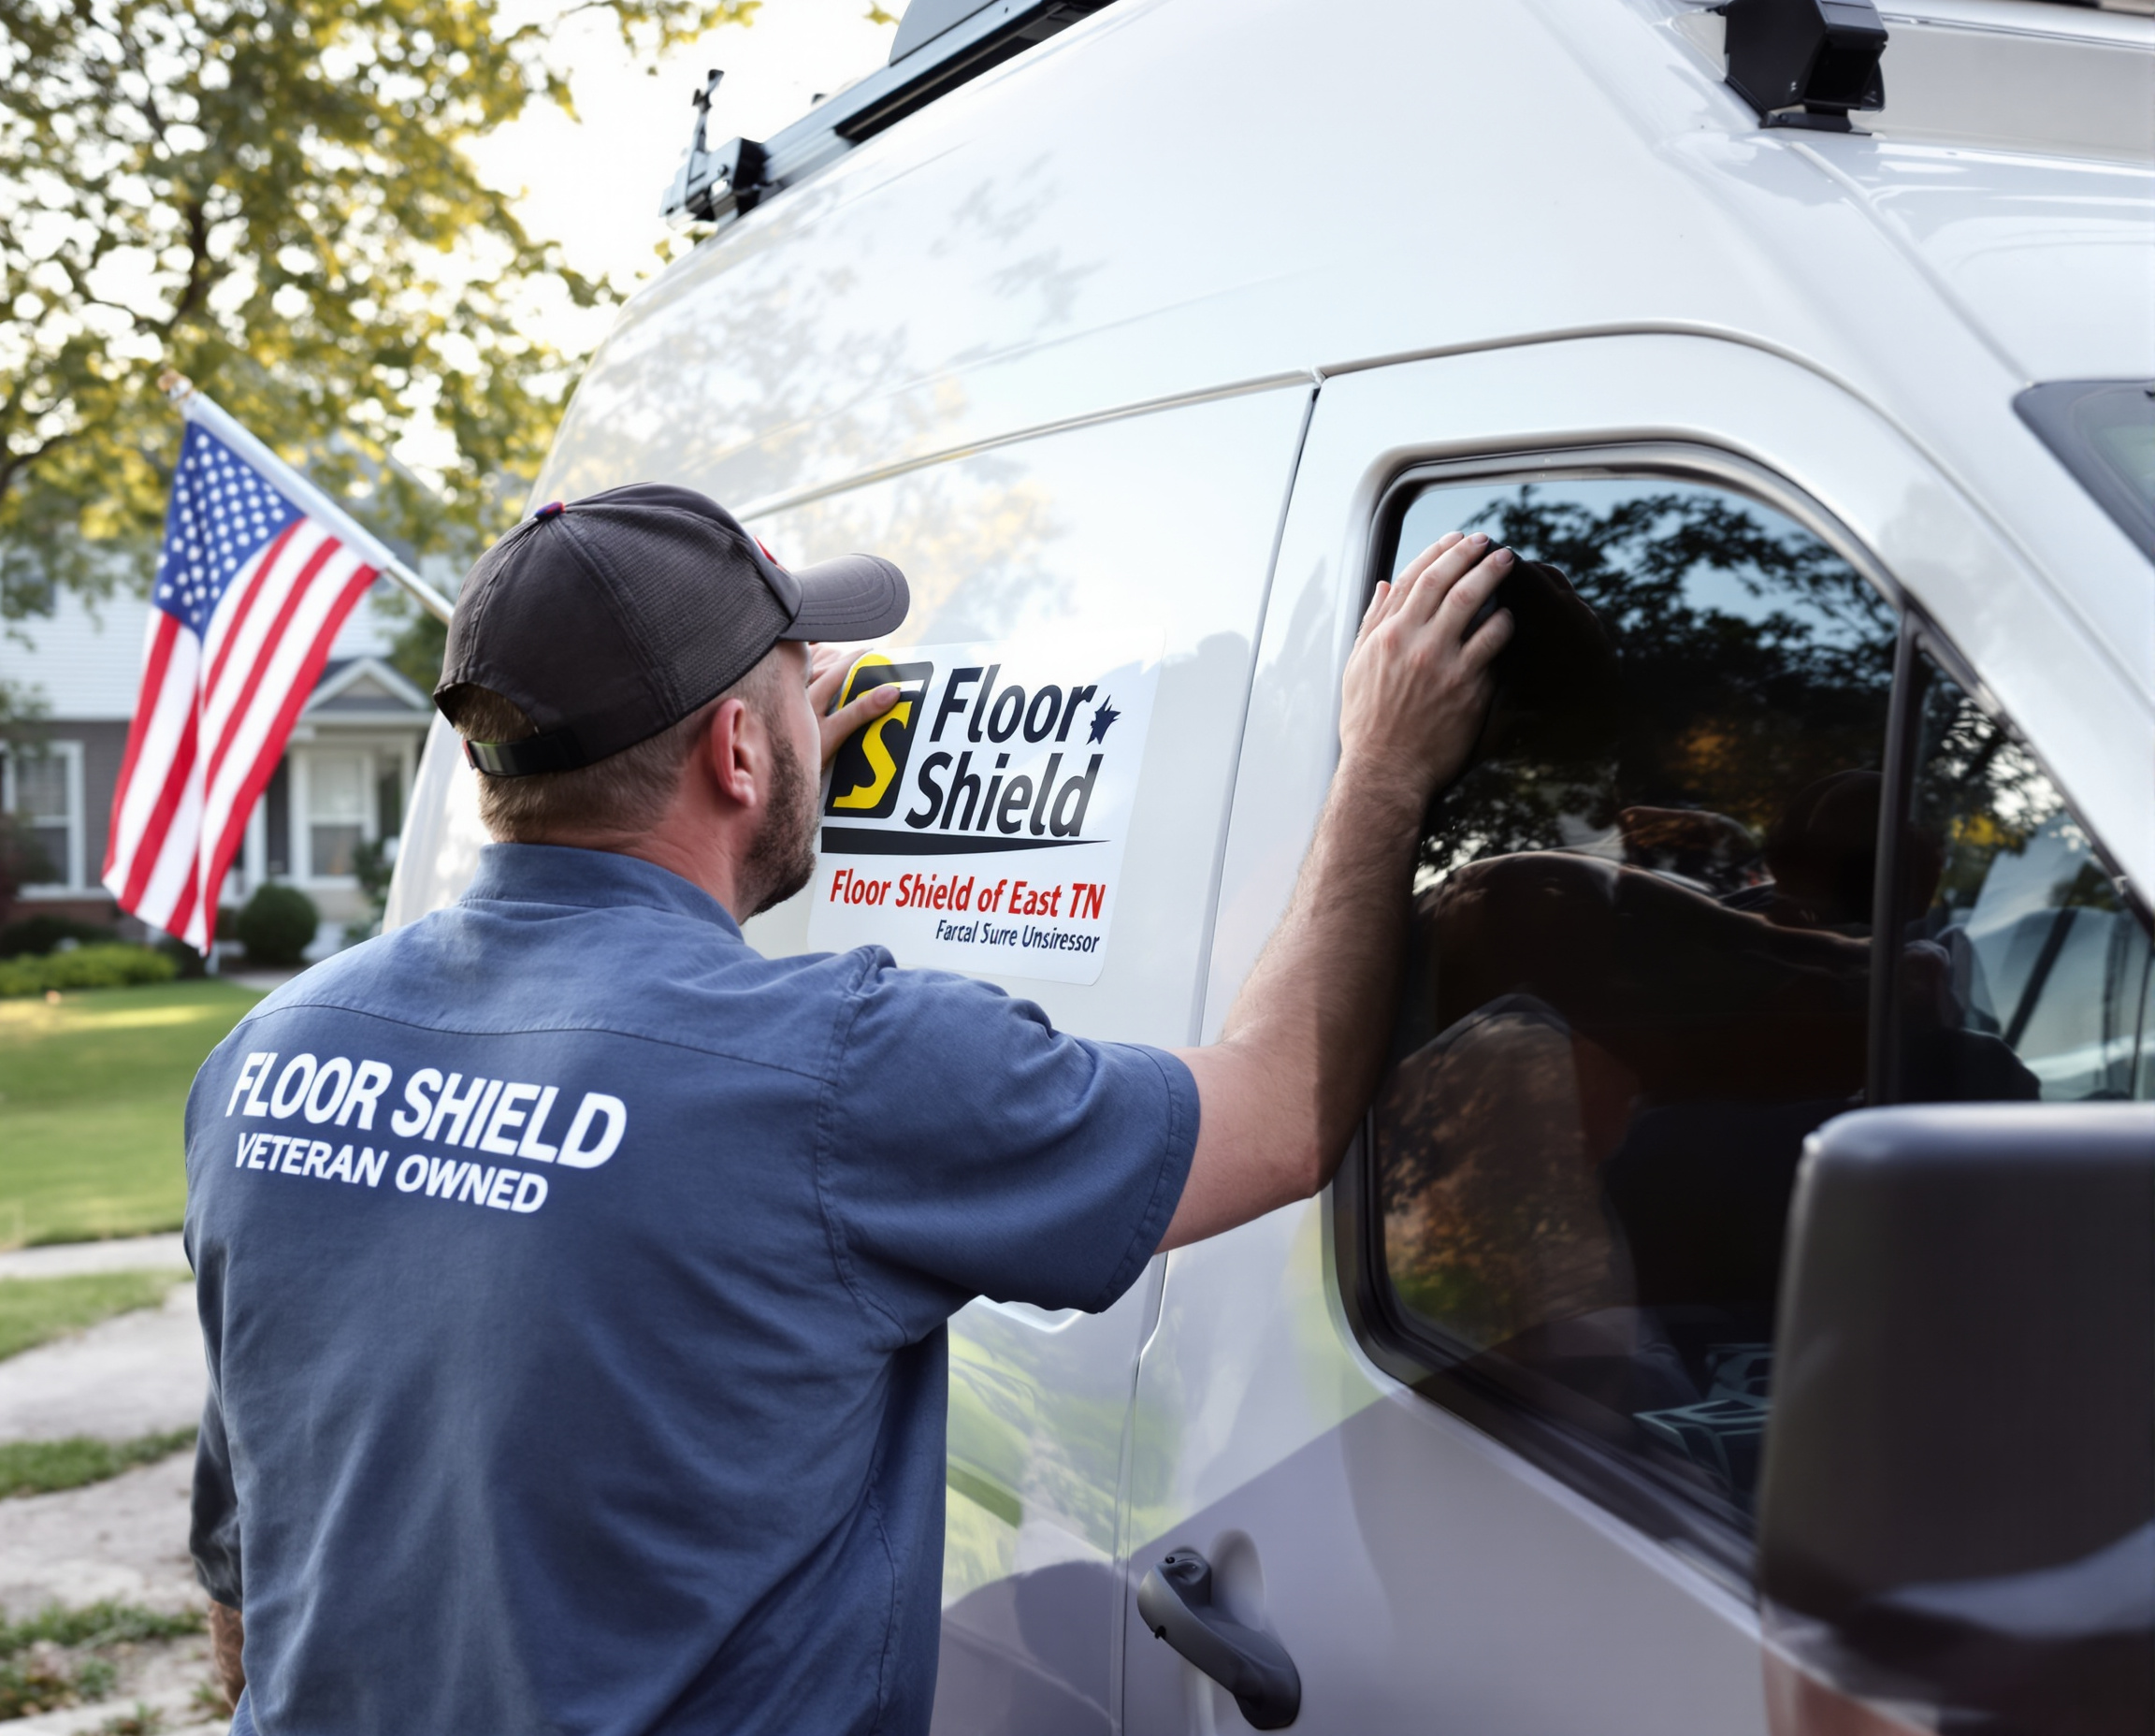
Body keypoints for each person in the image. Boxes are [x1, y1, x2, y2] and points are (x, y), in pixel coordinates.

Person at [184, 483, 1512, 1735]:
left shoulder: (270, 1052)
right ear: (737, 748)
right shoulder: (851, 1067)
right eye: (784, 681)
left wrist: (735, 814)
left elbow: (249, 1555)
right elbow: (1280, 1114)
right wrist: (1386, 773)